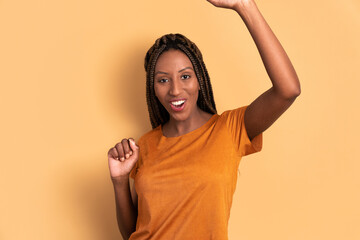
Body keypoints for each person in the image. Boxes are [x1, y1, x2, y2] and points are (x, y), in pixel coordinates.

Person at [107, 0, 301, 239]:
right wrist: (119, 181)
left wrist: (245, 6)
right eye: (163, 80)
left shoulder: (230, 130)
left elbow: (288, 90)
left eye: (185, 76)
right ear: (152, 88)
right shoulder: (145, 145)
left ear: (200, 79)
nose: (175, 90)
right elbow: (131, 233)